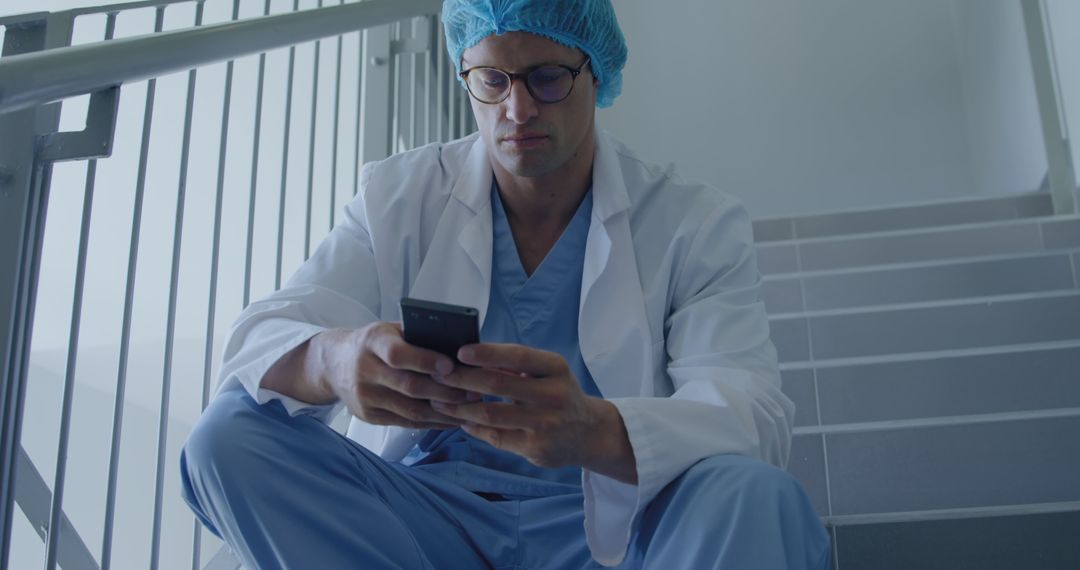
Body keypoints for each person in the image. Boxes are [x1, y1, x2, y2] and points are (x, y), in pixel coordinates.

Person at [180, 0, 831, 567]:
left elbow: (753, 415)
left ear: (596, 70)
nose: (516, 108)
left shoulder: (692, 222)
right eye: (492, 79)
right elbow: (257, 340)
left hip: (612, 531)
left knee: (757, 496)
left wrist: (596, 430)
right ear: (466, 74)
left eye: (547, 78)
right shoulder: (397, 197)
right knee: (227, 438)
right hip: (425, 526)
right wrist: (336, 358)